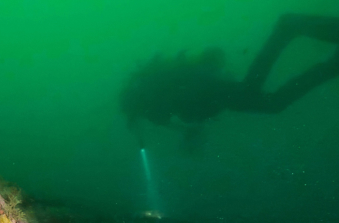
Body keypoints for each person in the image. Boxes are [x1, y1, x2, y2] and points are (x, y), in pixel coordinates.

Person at [121, 14, 339, 144]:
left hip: (206, 90)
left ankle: (288, 26)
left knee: (255, 91)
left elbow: (179, 105)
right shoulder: (152, 99)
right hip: (209, 93)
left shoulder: (151, 100)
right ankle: (330, 65)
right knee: (271, 103)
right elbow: (178, 119)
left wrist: (192, 120)